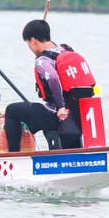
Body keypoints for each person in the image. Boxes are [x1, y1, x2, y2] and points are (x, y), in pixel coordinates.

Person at [5, 19, 98, 151]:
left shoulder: (42, 60)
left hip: (56, 115)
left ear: (33, 40)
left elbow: (53, 78)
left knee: (12, 110)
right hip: (79, 113)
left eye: (28, 44)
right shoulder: (66, 49)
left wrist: (61, 107)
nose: (30, 48)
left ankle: (14, 156)